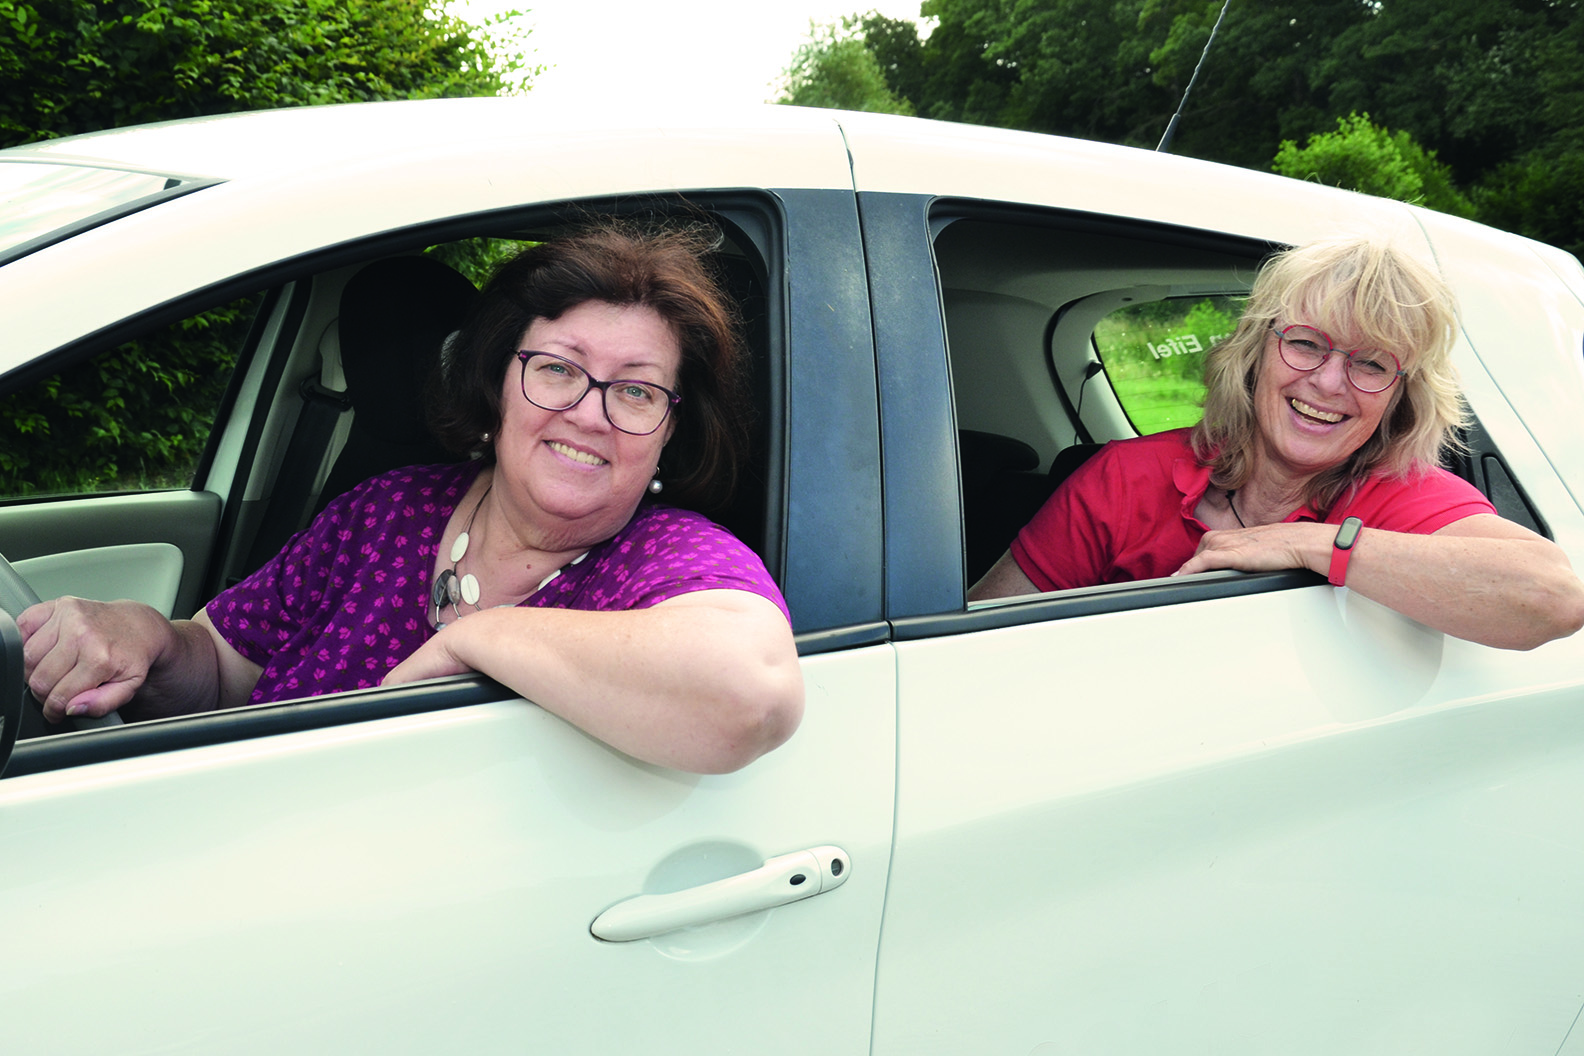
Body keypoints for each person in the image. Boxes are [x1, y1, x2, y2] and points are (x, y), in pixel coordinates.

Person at [19, 224, 804, 774]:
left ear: (669, 429)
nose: (589, 412)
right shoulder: (390, 509)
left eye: (635, 391)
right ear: (498, 381)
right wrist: (146, 635)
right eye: (558, 369)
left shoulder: (670, 558)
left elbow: (751, 695)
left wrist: (479, 637)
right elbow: (225, 667)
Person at [969, 234, 1584, 650]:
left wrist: (1307, 544)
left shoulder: (1400, 494)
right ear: (1255, 352)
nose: (1329, 382)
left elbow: (1552, 596)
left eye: (1371, 364)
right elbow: (970, 637)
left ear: (1401, 393)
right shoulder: (1124, 477)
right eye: (1307, 343)